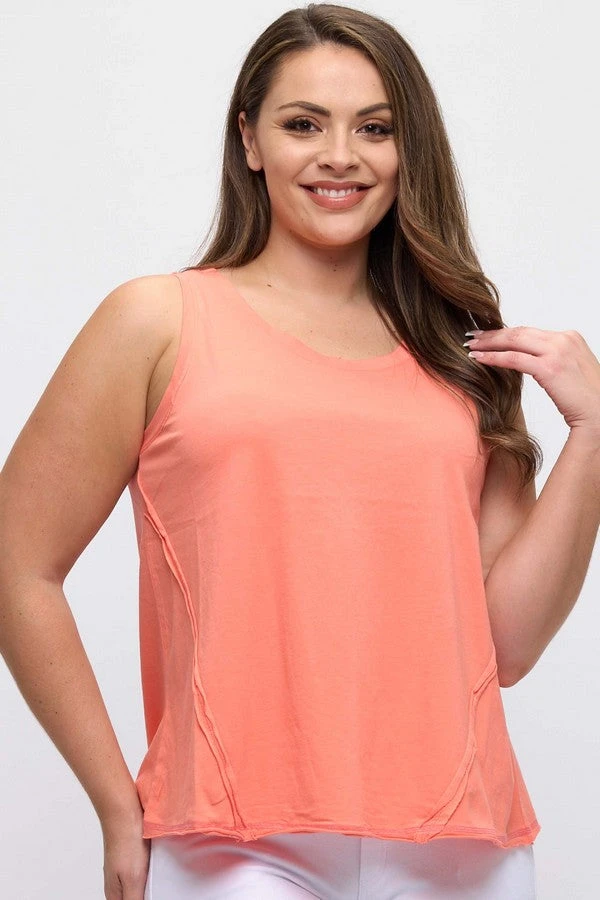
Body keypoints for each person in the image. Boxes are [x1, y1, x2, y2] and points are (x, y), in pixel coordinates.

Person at [2, 3, 600, 898]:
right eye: (303, 124)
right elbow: (19, 562)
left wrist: (593, 434)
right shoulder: (158, 320)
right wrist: (117, 805)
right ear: (249, 139)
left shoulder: (463, 354)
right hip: (235, 842)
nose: (340, 156)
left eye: (376, 128)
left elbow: (506, 645)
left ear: (409, 149)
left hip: (462, 845)